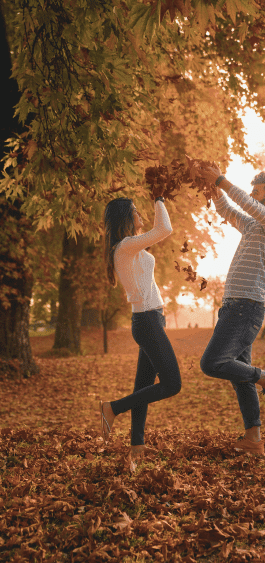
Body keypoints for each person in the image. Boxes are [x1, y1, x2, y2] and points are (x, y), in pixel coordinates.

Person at [197, 163, 265, 456]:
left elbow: (245, 203)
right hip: (235, 306)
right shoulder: (251, 226)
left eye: (257, 191)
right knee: (240, 375)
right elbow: (228, 210)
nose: (251, 195)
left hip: (245, 307)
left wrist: (222, 180)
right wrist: (212, 188)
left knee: (211, 363)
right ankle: (253, 440)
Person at [100, 194, 181, 470]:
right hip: (146, 322)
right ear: (125, 218)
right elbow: (164, 230)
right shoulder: (125, 247)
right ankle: (113, 408)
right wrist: (159, 197)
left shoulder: (131, 248)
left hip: (151, 320)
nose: (140, 215)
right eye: (135, 211)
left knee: (144, 387)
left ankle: (137, 446)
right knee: (173, 384)